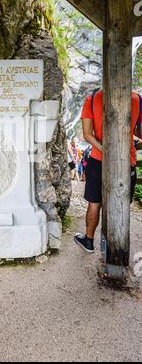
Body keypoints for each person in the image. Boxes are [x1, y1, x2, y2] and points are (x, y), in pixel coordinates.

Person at [74, 90, 141, 253]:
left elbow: (87, 135)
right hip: (127, 160)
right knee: (121, 204)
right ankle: (117, 249)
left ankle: (89, 241)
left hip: (98, 159)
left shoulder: (92, 99)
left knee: (94, 203)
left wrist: (106, 150)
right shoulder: (138, 99)